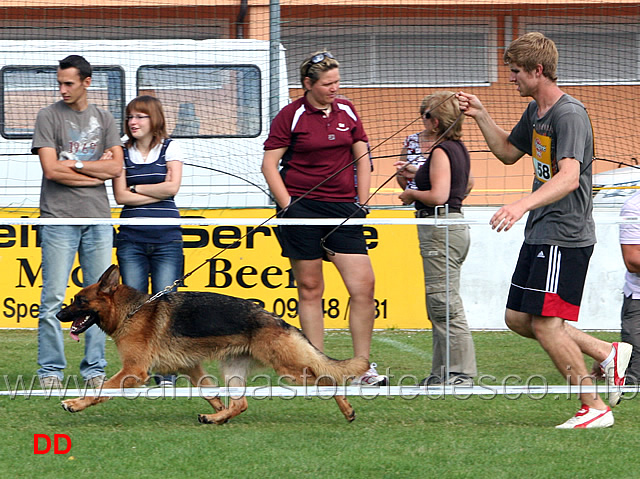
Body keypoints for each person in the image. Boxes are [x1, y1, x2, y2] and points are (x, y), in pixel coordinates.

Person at [457, 32, 632, 429]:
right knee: (518, 319)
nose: (511, 79)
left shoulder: (568, 115)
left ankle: (593, 406)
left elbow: (569, 177)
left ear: (538, 70)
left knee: (546, 322)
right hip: (540, 230)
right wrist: (481, 114)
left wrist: (520, 205)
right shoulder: (536, 111)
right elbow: (506, 152)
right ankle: (607, 352)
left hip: (563, 232)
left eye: (516, 72)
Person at [261, 51, 386, 385]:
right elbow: (269, 166)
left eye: (337, 82)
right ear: (308, 84)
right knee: (311, 287)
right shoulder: (291, 115)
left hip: (344, 209)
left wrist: (362, 201)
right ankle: (317, 369)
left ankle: (362, 368)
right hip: (301, 208)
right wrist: (288, 205)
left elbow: (363, 157)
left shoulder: (347, 110)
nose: (335, 88)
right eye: (328, 83)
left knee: (364, 285)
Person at [32, 55, 123, 389]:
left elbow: (115, 169)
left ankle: (95, 369)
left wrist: (78, 168)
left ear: (87, 81)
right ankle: (50, 371)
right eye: (60, 83)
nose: (63, 89)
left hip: (97, 218)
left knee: (101, 301)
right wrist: (92, 169)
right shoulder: (47, 116)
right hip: (58, 219)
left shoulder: (105, 117)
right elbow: (51, 170)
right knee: (53, 299)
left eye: (69, 82)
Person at [396, 92, 477, 386]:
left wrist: (411, 193)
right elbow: (463, 185)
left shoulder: (442, 151)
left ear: (437, 120)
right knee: (439, 303)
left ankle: (460, 374)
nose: (423, 119)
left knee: (445, 303)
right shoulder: (457, 148)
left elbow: (439, 195)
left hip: (440, 227)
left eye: (426, 114)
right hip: (448, 227)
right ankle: (441, 373)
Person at [113, 95, 184, 387]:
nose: (133, 122)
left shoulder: (171, 146)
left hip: (167, 238)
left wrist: (137, 185)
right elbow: (120, 197)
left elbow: (173, 188)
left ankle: (166, 372)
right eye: (130, 117)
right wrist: (156, 190)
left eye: (140, 116)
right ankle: (135, 369)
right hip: (131, 239)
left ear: (154, 118)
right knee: (134, 310)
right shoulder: (120, 150)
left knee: (166, 305)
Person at [618, 191, 640, 385]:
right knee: (634, 376)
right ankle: (607, 356)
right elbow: (632, 260)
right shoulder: (633, 207)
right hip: (638, 298)